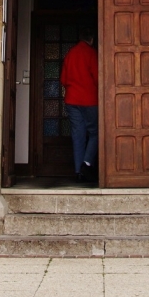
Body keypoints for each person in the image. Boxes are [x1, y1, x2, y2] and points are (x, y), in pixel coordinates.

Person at [60, 30, 98, 183]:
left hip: (71, 100)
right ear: (92, 39)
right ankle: (86, 164)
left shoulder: (70, 53)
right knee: (96, 133)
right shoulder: (91, 53)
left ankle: (78, 172)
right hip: (90, 100)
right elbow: (98, 77)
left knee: (78, 135)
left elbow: (63, 79)